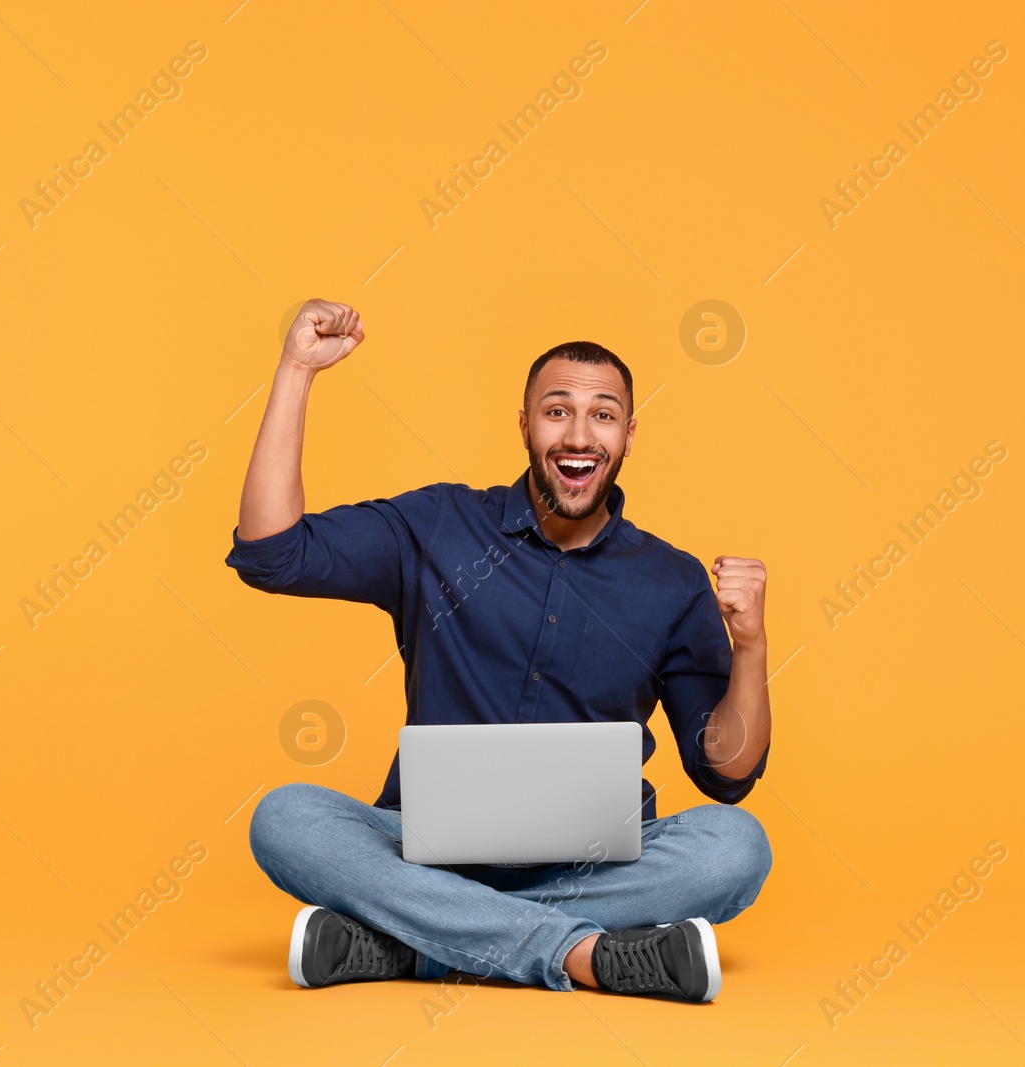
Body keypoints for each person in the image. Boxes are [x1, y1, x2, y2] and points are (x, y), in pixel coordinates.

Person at [231, 299, 773, 1002]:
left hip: (589, 868)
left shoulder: (670, 580)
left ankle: (415, 942)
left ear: (629, 435)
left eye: (603, 414)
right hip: (424, 854)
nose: (579, 433)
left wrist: (753, 646)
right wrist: (296, 369)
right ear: (524, 424)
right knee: (285, 818)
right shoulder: (437, 525)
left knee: (738, 846)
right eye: (557, 411)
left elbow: (724, 769)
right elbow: (272, 552)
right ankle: (585, 953)